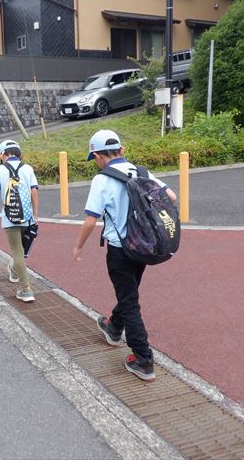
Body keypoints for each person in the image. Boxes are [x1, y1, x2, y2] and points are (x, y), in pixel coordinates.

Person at [72, 129, 177, 382]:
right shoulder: (140, 172)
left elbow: (90, 219)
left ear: (98, 155)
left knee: (129, 301)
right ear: (122, 150)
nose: (96, 162)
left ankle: (143, 359)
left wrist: (78, 247)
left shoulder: (102, 179)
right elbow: (171, 196)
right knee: (128, 292)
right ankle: (113, 327)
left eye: (94, 157)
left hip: (120, 249)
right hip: (142, 247)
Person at [0, 140, 39, 302]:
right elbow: (34, 191)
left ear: (2, 154)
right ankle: (14, 271)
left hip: (10, 216)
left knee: (17, 252)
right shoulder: (27, 169)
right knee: (20, 250)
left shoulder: (0, 169)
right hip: (26, 215)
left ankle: (26, 289)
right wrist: (35, 214)